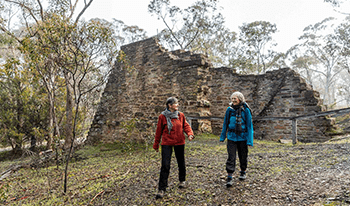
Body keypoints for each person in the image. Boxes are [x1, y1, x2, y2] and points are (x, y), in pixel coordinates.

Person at [153, 97, 195, 199]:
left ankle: (182, 180)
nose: (177, 105)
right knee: (165, 165)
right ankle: (162, 189)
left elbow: (186, 125)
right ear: (170, 105)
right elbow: (158, 131)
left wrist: (190, 134)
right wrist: (156, 144)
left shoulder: (180, 115)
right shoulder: (162, 117)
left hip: (180, 142)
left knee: (181, 162)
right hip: (167, 143)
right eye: (176, 104)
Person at [220, 91, 254, 187]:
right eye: (232, 98)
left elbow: (249, 125)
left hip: (242, 137)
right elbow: (225, 124)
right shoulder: (229, 110)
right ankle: (229, 176)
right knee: (231, 157)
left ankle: (243, 171)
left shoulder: (245, 110)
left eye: (235, 98)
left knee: (243, 156)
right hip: (231, 137)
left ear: (240, 99)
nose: (233, 100)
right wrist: (223, 136)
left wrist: (249, 140)